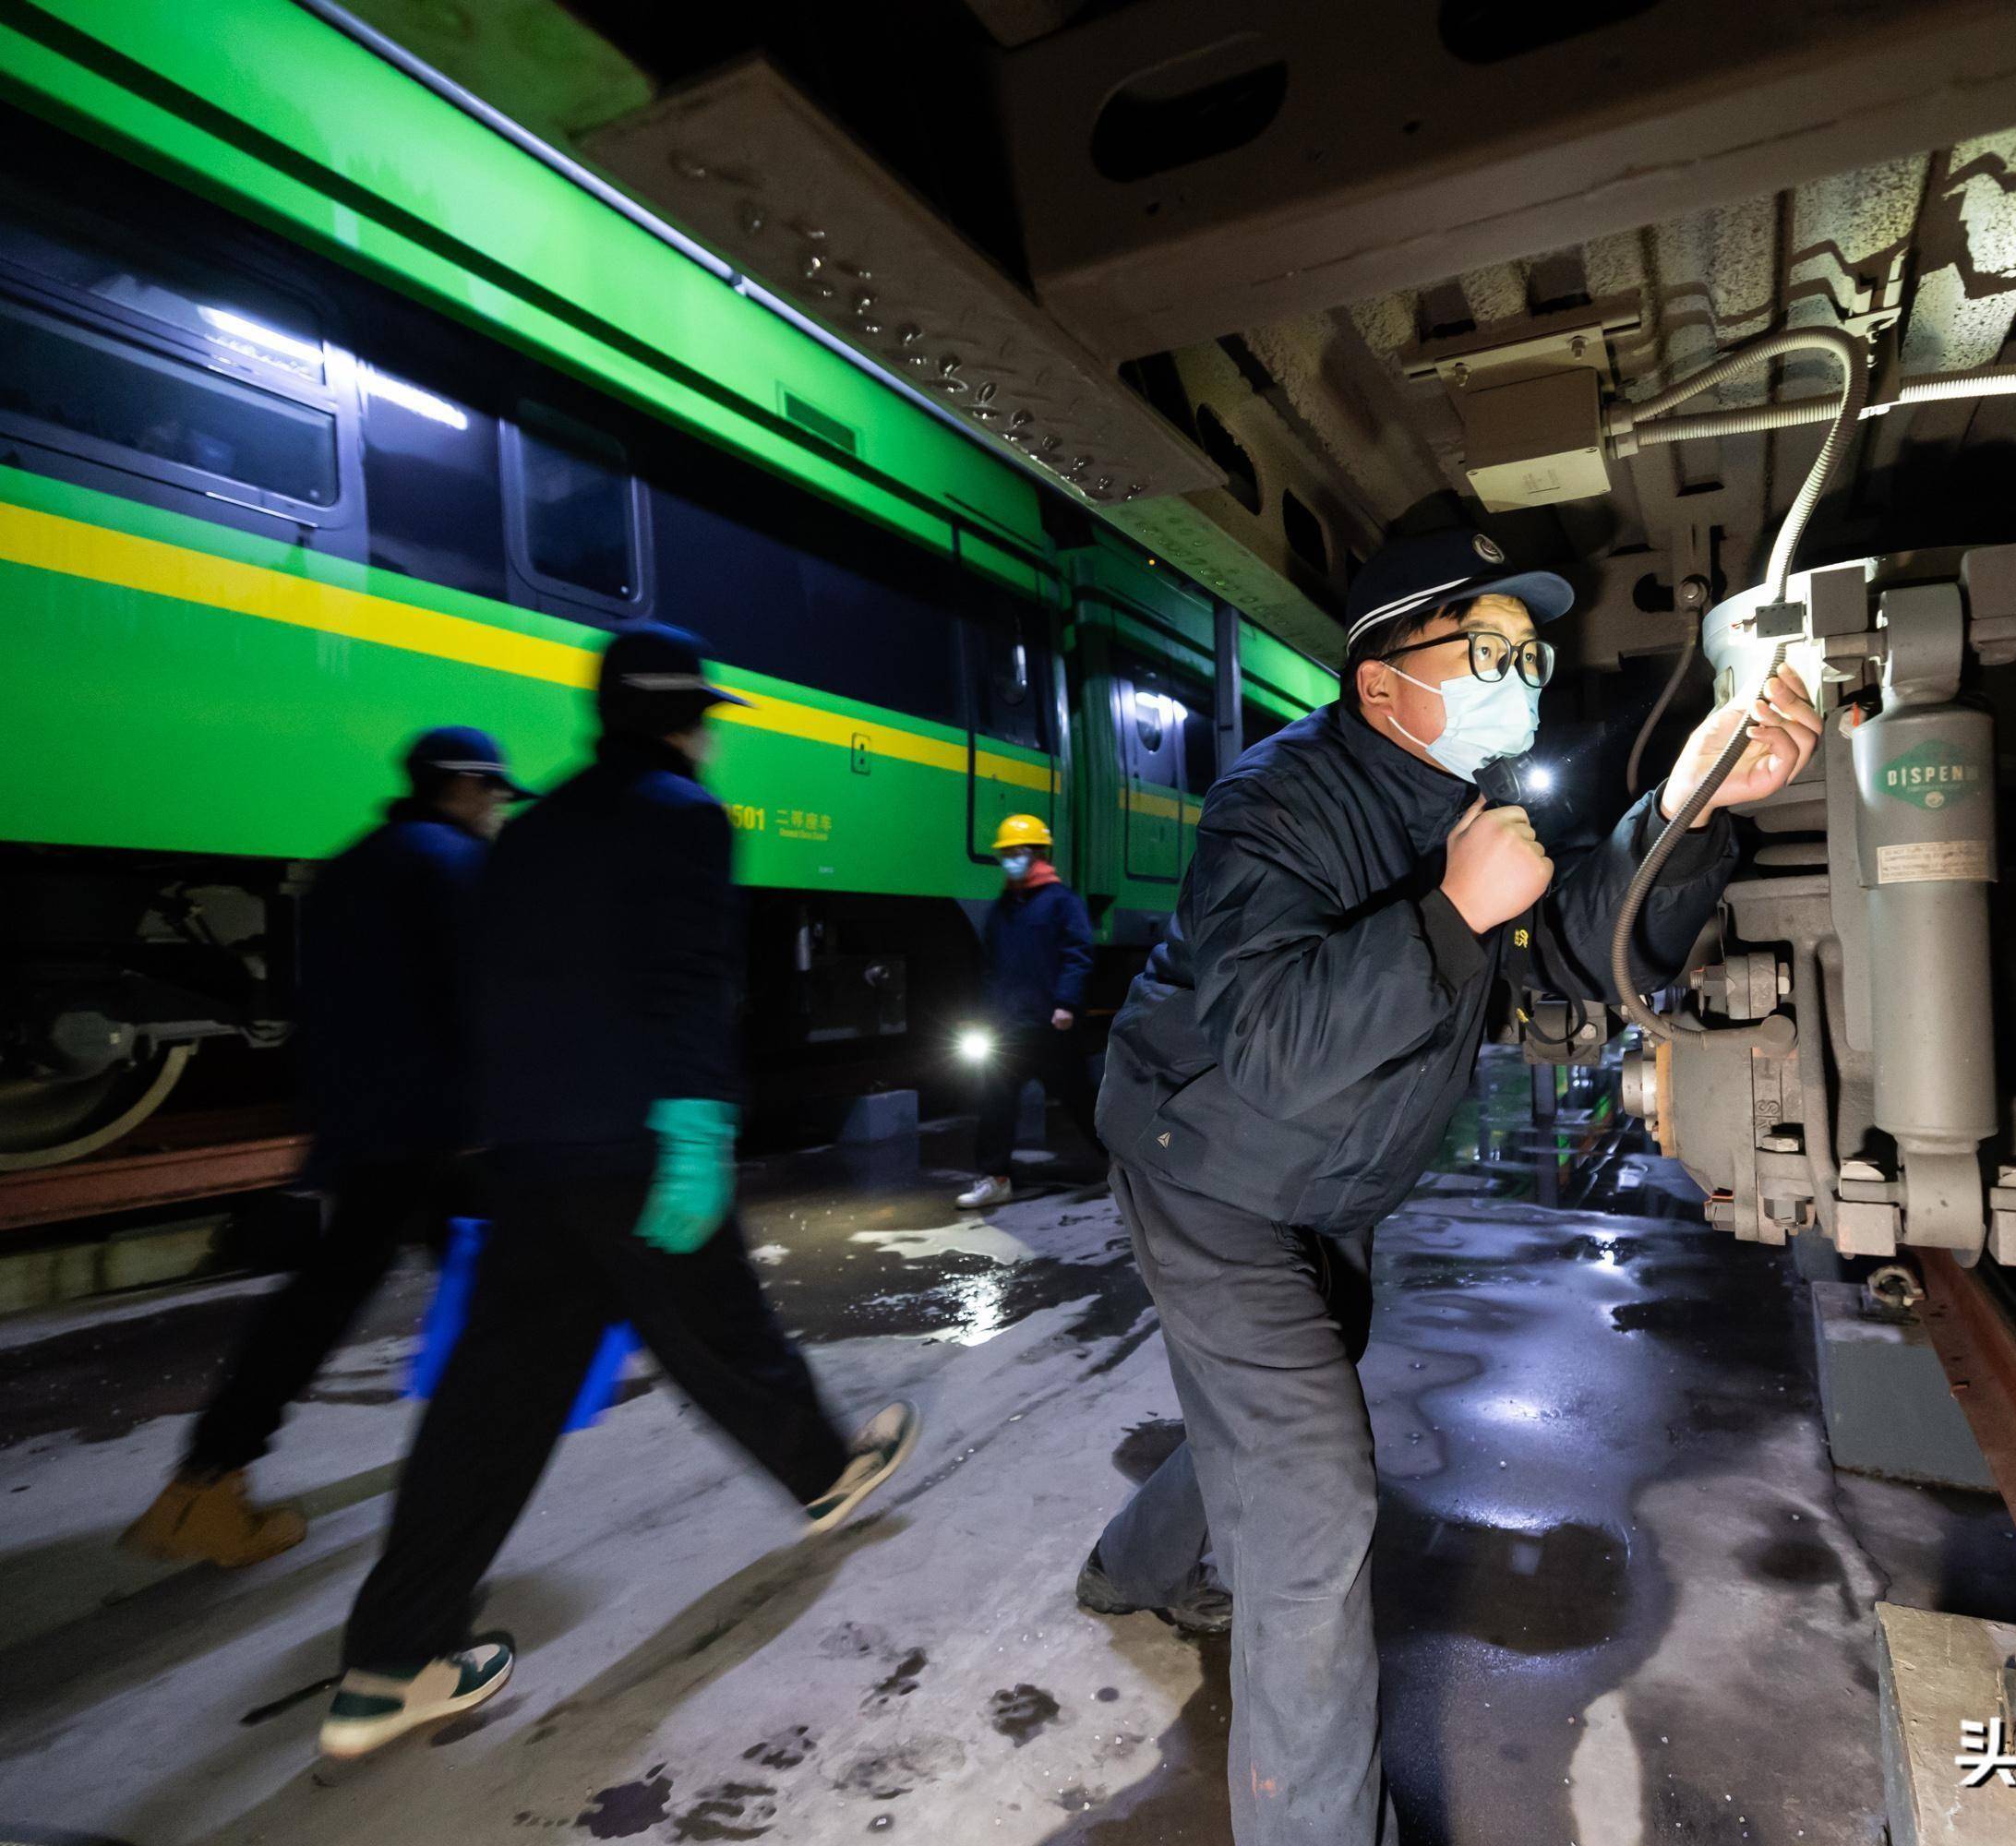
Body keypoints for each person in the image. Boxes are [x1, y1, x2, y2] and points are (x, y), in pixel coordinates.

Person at [1075, 529, 1821, 1844]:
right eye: (1485, 650)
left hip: (1332, 1189)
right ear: (1381, 687)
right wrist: (1448, 916)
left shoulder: (1469, 804)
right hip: (1212, 1171)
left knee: (1272, 1393)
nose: (1518, 674)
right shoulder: (1283, 801)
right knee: (1311, 1499)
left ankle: (1127, 1568)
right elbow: (1275, 1039)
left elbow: (1579, 950)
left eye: (1528, 653)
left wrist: (1688, 812)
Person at [319, 625, 920, 1761]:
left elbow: (484, 987)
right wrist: (698, 1126)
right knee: (724, 1335)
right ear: (688, 719)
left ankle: (388, 1665)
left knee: (487, 1410)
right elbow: (692, 980)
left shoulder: (532, 828)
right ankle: (829, 1474)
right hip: (639, 1143)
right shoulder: (685, 814)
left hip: (530, 1156)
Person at [121, 726, 532, 1568]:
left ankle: (205, 1480)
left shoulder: (354, 863)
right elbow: (483, 996)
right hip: (438, 1128)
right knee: (533, 1269)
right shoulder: (452, 864)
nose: (495, 809)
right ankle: (465, 1460)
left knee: (330, 1292)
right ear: (458, 786)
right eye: (491, 793)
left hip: (364, 1123)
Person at [954, 812, 1102, 1210]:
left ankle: (1126, 1163)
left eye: (1019, 851)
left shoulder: (1061, 902)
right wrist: (985, 1014)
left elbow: (1077, 956)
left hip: (1052, 1026)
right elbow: (990, 967)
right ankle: (995, 1177)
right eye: (1007, 852)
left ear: (1038, 854)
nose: (1011, 859)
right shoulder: (1003, 909)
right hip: (1009, 1027)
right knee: (994, 1102)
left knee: (1082, 1100)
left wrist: (1066, 1004)